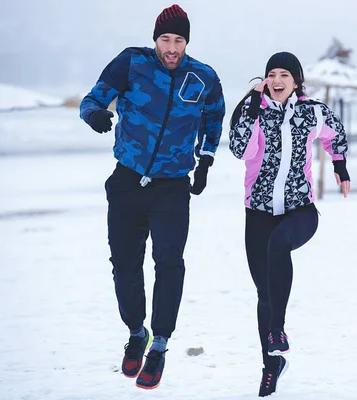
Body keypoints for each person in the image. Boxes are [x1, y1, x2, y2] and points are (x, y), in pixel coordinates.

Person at [79, 4, 225, 390]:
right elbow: (91, 99)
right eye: (166, 39)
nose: (172, 47)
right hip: (127, 181)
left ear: (187, 41)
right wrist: (95, 116)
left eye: (179, 40)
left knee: (169, 262)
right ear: (155, 39)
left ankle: (159, 344)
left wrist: (205, 162)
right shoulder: (132, 63)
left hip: (173, 186)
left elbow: (214, 122)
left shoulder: (204, 77)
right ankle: (136, 331)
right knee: (124, 264)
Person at [228, 51, 350, 397]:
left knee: (279, 244)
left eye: (284, 73)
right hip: (258, 213)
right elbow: (239, 150)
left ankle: (277, 331)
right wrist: (252, 111)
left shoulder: (312, 111)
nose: (277, 79)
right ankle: (272, 365)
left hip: (301, 210)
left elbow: (335, 134)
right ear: (265, 80)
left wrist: (340, 166)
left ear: (296, 80)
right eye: (272, 73)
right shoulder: (254, 112)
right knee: (263, 294)